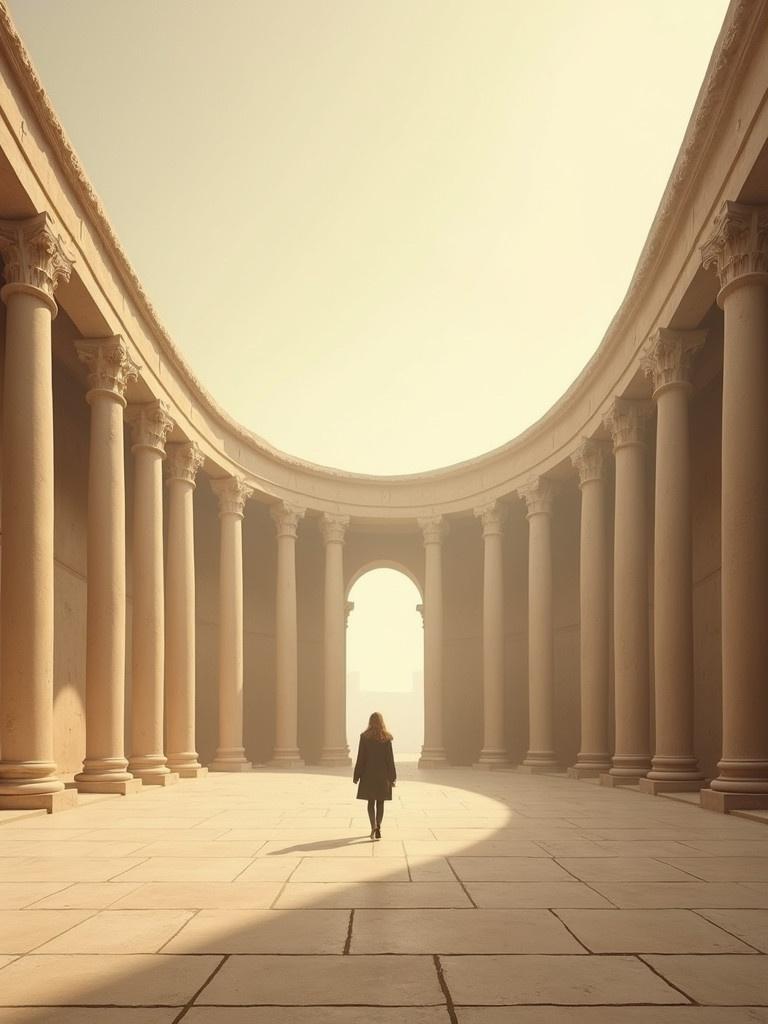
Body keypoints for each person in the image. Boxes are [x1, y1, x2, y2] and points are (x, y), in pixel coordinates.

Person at [353, 711, 396, 840]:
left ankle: (373, 826)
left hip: (368, 774)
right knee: (381, 803)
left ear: (370, 722)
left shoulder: (364, 737)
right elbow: (390, 760)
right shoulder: (386, 738)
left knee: (371, 802)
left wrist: (357, 775)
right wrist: (392, 777)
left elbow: (361, 758)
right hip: (382, 775)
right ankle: (378, 825)